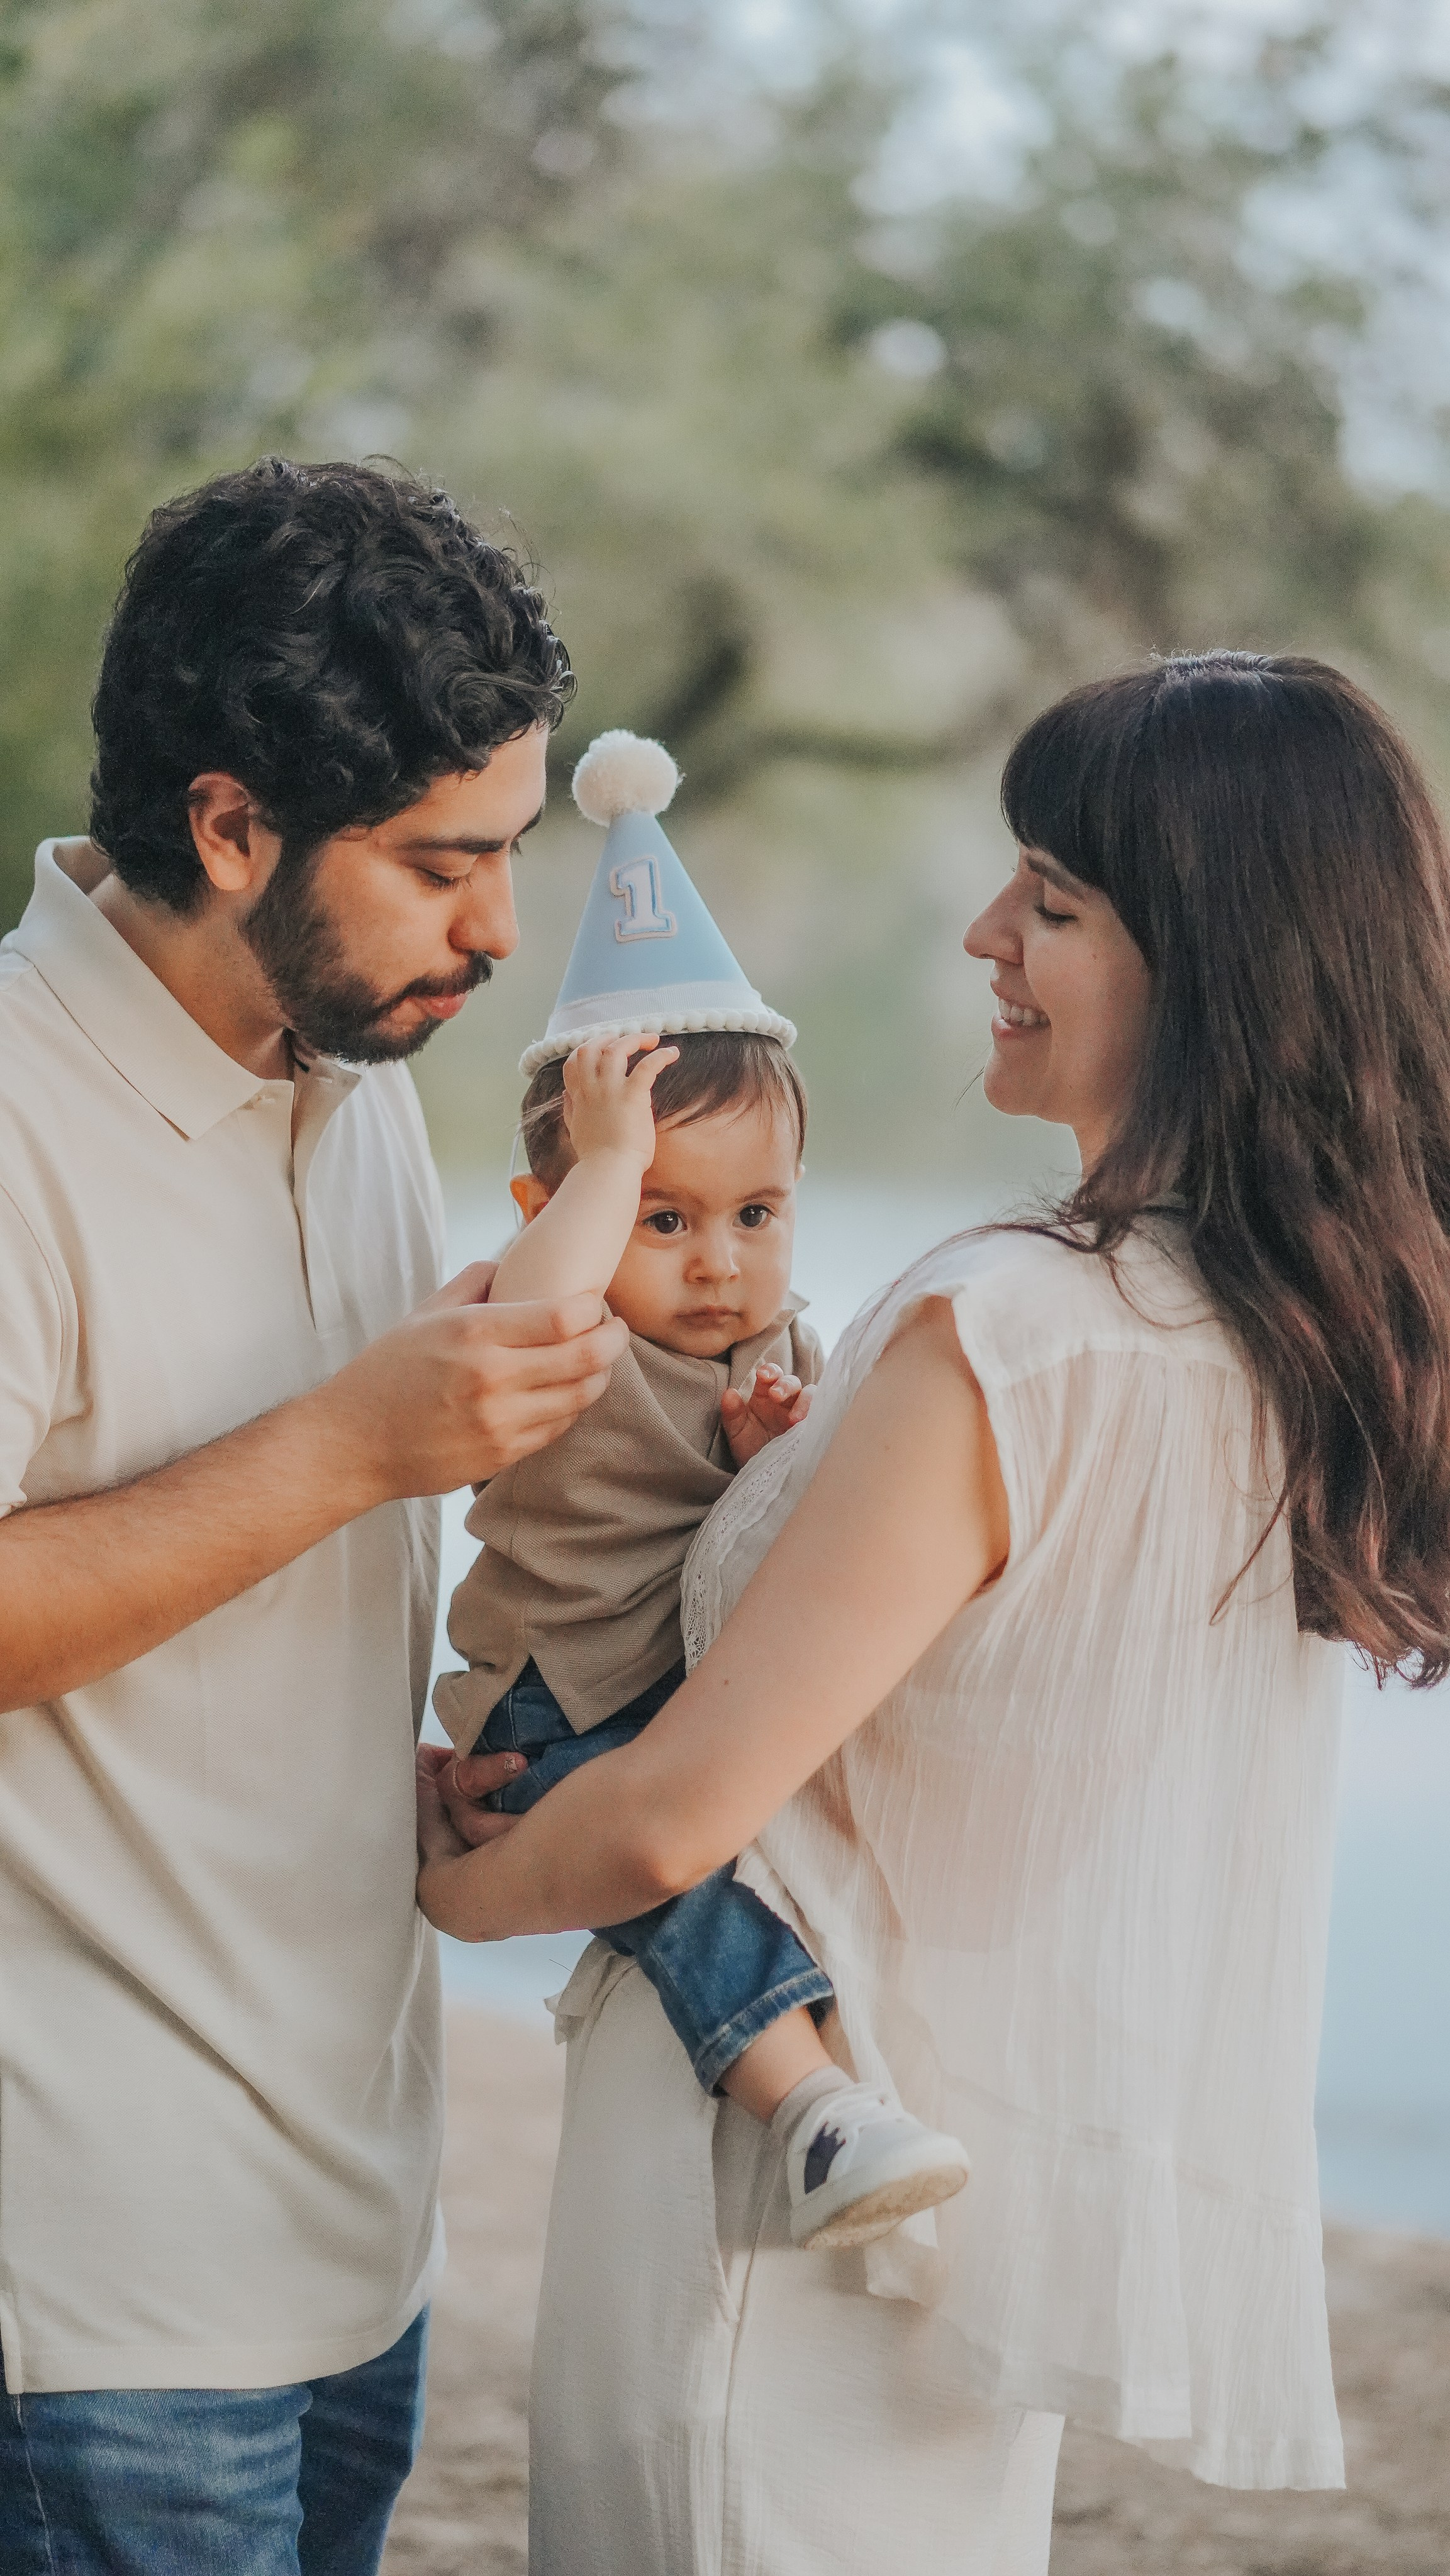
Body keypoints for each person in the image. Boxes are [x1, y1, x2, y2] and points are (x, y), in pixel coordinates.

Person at [418, 652, 1450, 2575]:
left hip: (761, 2226)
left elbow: (658, 1823)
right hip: (964, 2213)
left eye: (1050, 903)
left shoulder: (1011, 1331)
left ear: (1208, 966)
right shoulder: (1266, 1345)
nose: (985, 930)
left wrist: (455, 1878)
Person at [0, 458, 630, 2576]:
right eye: (440, 862)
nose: (496, 929)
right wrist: (358, 1445)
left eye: (509, 851)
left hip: (358, 2220)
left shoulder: (350, 1066)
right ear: (229, 821)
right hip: (95, 2276)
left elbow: (277, 1541)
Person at [433, 730, 969, 2249]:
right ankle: (809, 2107)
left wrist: (770, 1458)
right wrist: (602, 1174)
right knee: (676, 1896)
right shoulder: (567, 1314)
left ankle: (848, 2088)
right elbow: (522, 1319)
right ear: (570, 1207)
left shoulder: (775, 1342)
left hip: (688, 1700)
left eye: (755, 1212)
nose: (717, 1257)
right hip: (555, 1704)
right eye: (663, 1214)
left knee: (723, 1860)